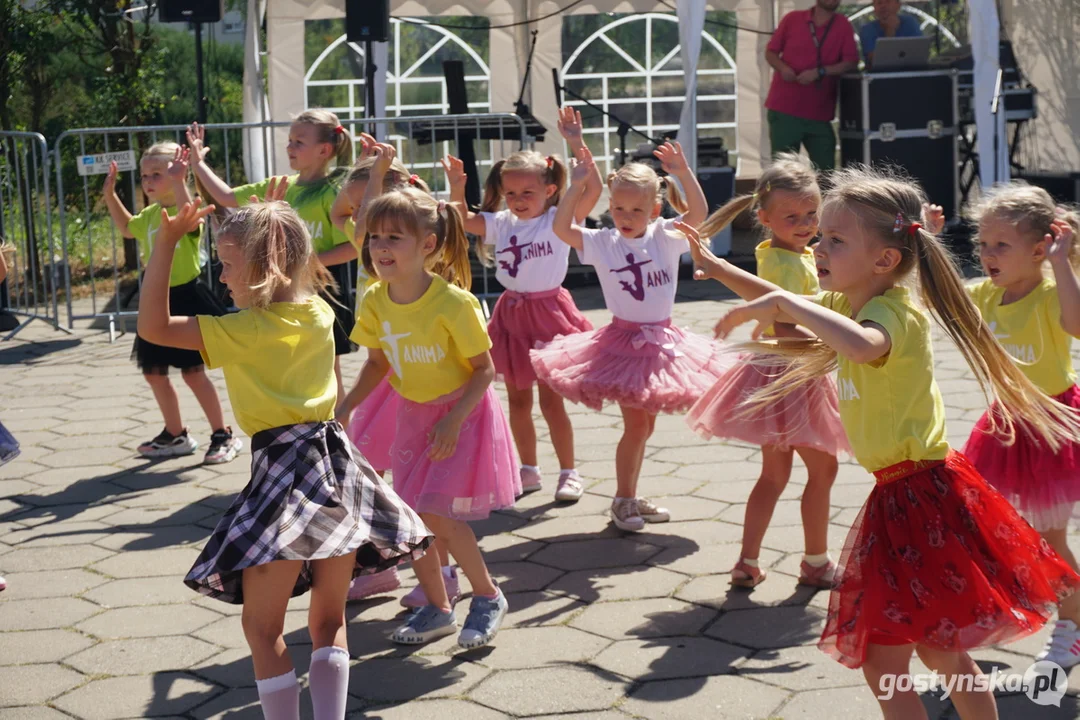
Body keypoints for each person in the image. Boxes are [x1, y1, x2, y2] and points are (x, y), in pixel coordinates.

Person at [689, 166, 1080, 718]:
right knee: (930, 654)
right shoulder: (854, 303)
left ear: (884, 260)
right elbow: (785, 296)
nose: (818, 248)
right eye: (819, 235)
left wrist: (783, 307)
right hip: (901, 496)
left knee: (906, 657)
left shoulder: (892, 313)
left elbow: (863, 348)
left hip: (922, 498)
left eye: (834, 239)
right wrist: (718, 267)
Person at [139, 196, 433, 720]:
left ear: (262, 265)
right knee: (328, 618)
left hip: (283, 475)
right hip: (335, 467)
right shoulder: (320, 312)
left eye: (227, 265)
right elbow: (335, 386)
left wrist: (163, 246)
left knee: (261, 626)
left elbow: (154, 328)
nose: (221, 278)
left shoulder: (244, 331)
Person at [337, 182, 520, 648]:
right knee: (412, 521)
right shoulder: (376, 299)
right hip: (414, 417)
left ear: (428, 245)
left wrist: (453, 419)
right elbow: (378, 362)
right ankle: (438, 608)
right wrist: (345, 407)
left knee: (439, 513)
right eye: (375, 237)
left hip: (461, 416)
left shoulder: (453, 304)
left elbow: (485, 371)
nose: (380, 247)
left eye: (394, 237)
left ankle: (487, 595)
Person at [532, 144, 731, 532]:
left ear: (654, 210)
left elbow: (700, 215)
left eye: (636, 210)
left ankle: (630, 493)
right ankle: (622, 500)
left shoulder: (664, 236)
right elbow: (561, 229)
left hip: (663, 343)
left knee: (646, 427)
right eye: (619, 208)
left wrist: (683, 172)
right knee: (637, 427)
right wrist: (575, 186)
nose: (626, 217)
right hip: (623, 345)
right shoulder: (604, 242)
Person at [687, 154, 849, 588]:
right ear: (764, 218)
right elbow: (785, 322)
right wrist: (833, 343)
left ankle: (748, 561)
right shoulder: (784, 260)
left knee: (774, 475)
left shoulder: (794, 253)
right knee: (823, 470)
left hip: (779, 372)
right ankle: (815, 562)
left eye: (812, 213)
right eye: (792, 216)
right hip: (794, 373)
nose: (805, 223)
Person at [446, 107, 602, 503]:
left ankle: (569, 471)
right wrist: (456, 186)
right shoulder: (501, 222)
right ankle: (528, 468)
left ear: (550, 190)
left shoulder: (557, 218)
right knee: (517, 398)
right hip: (511, 315)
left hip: (550, 313)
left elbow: (593, 190)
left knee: (552, 401)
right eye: (510, 193)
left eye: (527, 193)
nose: (517, 200)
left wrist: (576, 143)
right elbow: (462, 219)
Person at [959, 184, 1080, 668]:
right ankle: (1007, 599)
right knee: (988, 527)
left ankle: (1071, 627)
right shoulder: (988, 294)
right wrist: (924, 239)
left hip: (1050, 428)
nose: (988, 255)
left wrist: (1061, 264)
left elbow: (1077, 324)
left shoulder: (1052, 291)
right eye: (983, 244)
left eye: (1001, 246)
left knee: (1049, 539)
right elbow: (934, 297)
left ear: (1038, 250)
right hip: (1003, 429)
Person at [188, 110, 357, 402]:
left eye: (298, 142)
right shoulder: (282, 185)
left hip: (324, 289)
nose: (290, 147)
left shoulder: (334, 192)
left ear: (324, 150)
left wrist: (309, 263)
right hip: (281, 289)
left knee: (330, 366)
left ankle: (339, 427)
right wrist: (198, 163)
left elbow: (353, 246)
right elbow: (227, 196)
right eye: (289, 140)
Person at [330, 137, 429, 602]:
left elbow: (371, 213)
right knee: (369, 466)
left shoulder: (414, 246)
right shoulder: (366, 238)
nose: (356, 219)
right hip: (380, 368)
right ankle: (381, 563)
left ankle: (436, 572)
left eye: (363, 206)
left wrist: (378, 173)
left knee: (409, 473)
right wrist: (365, 171)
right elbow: (338, 217)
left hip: (408, 371)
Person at [102, 142, 241, 464]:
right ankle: (176, 433)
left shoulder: (186, 208)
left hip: (186, 298)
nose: (148, 181)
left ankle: (223, 434)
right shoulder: (150, 214)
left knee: (193, 373)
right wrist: (110, 194)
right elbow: (125, 227)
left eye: (156, 174)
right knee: (154, 373)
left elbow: (190, 219)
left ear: (179, 174)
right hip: (156, 301)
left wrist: (179, 181)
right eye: (144, 175)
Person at [765, 0, 859, 171]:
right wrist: (783, 68)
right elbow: (770, 52)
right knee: (783, 173)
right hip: (785, 109)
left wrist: (821, 72)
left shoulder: (842, 24)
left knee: (827, 171)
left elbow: (851, 62)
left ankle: (822, 198)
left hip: (820, 113)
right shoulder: (792, 19)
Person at [860, 0, 923, 66]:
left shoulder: (911, 23)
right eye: (879, 3)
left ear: (898, 5)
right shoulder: (867, 30)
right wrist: (890, 31)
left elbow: (920, 52)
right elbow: (875, 61)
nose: (883, 6)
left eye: (888, 1)